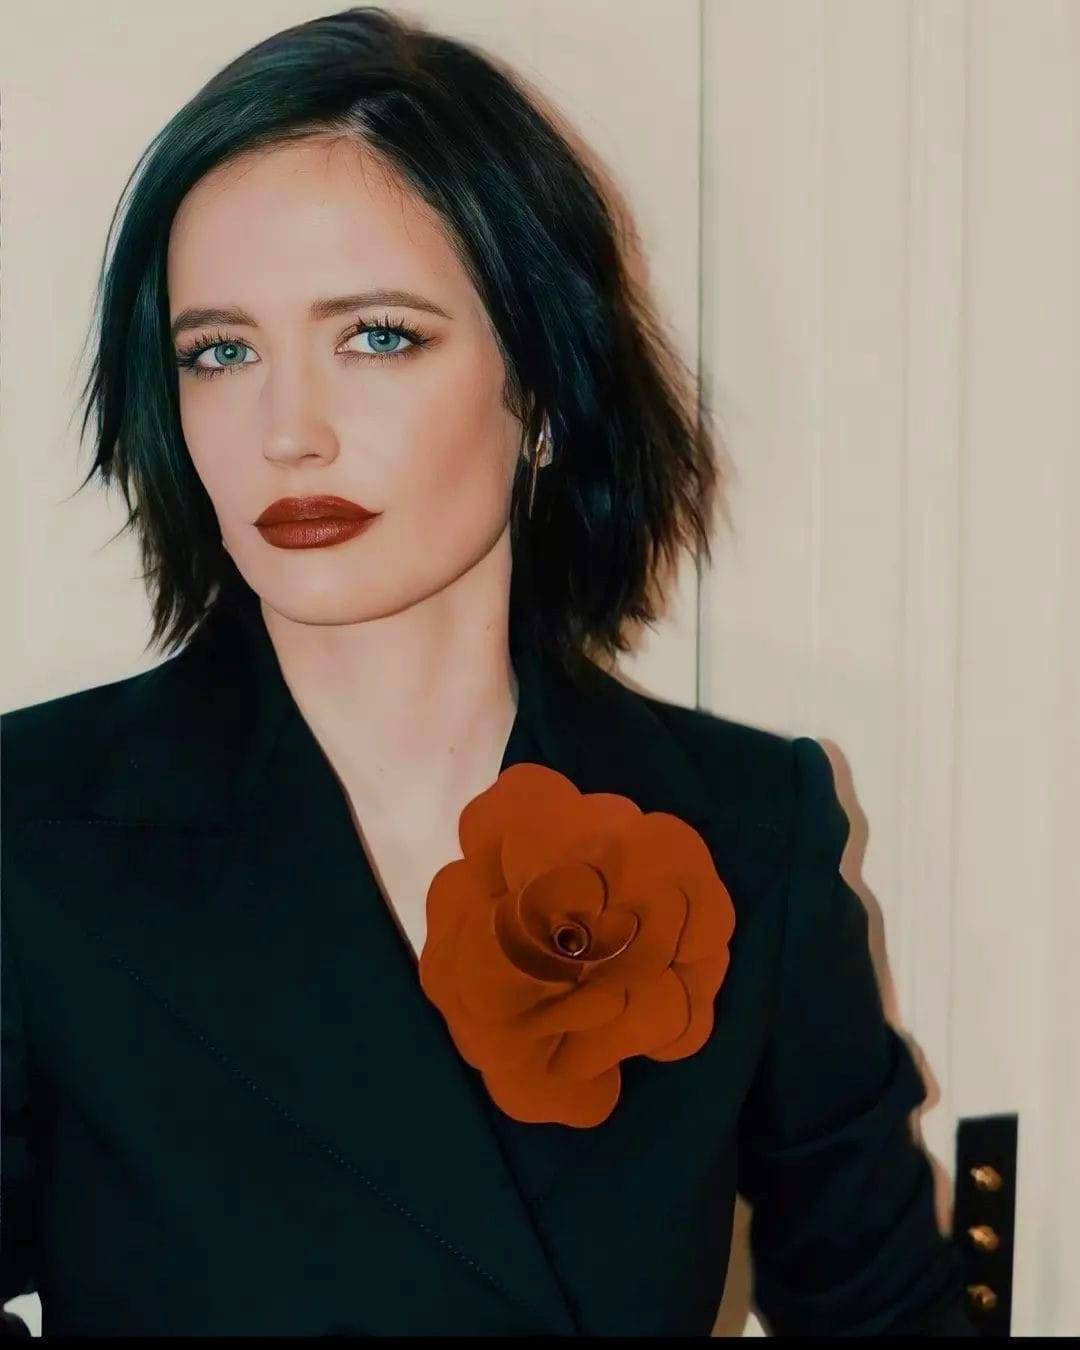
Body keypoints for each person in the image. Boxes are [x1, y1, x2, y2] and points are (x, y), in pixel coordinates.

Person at [1, 5, 978, 1337]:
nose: (288, 431)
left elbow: (887, 1314)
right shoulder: (31, 830)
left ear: (548, 391)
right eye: (219, 352)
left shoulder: (748, 830)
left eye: (378, 336)